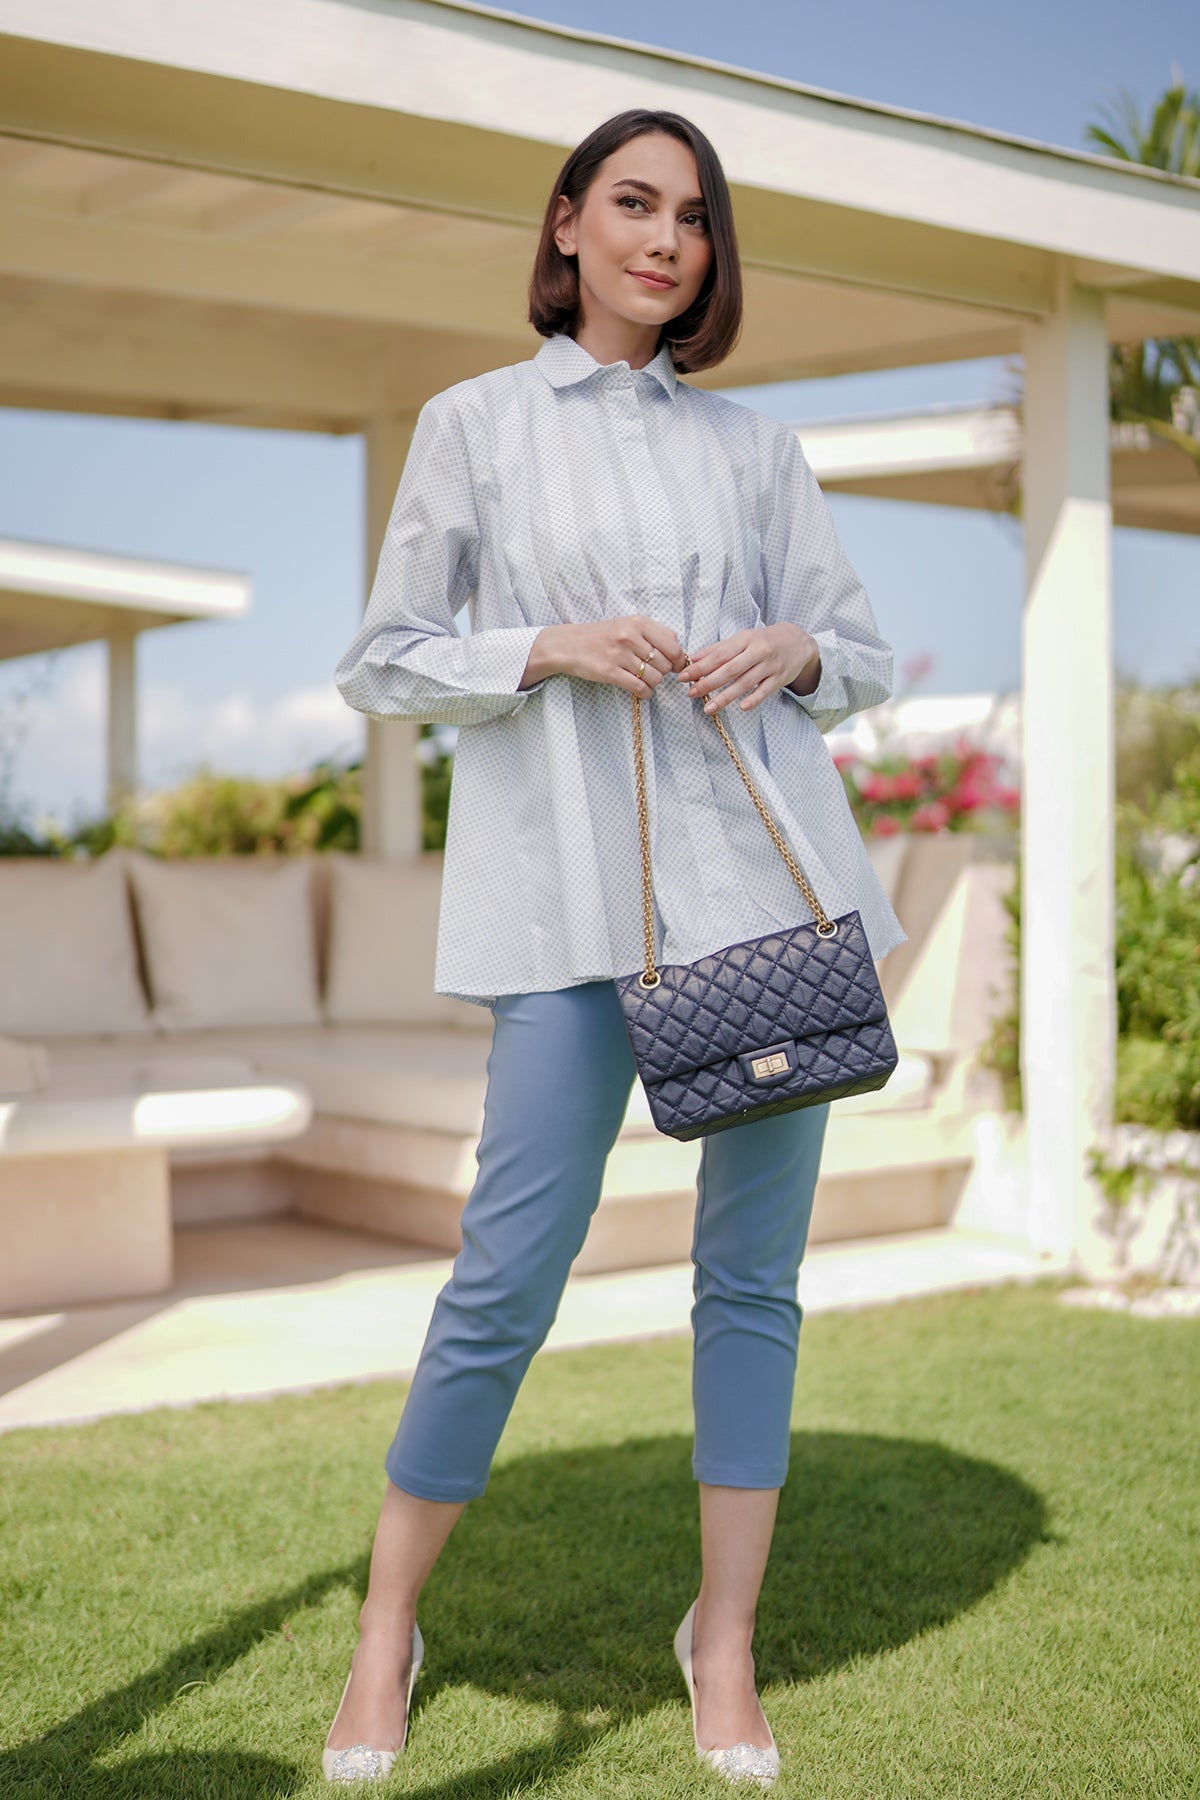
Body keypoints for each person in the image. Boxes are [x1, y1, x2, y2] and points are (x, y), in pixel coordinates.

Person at [325, 107, 907, 1788]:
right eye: (635, 205)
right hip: (567, 904)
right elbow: (383, 658)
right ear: (569, 223)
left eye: (695, 216)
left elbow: (862, 653)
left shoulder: (755, 449)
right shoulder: (474, 427)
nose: (666, 239)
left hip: (764, 908)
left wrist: (797, 651)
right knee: (509, 1266)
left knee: (753, 1278)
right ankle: (386, 1631)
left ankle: (721, 1642)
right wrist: (546, 648)